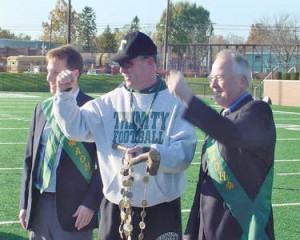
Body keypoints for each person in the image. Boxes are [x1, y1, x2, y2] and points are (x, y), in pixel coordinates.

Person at [52, 31, 197, 240]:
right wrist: (64, 95)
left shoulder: (176, 103)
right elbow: (74, 128)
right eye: (119, 64)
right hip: (116, 206)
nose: (122, 70)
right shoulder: (108, 102)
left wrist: (151, 153)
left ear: (149, 62)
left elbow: (184, 155)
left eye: (127, 64)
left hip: (161, 210)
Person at [167, 49, 276, 240]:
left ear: (242, 81)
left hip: (243, 231)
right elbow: (204, 185)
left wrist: (188, 99)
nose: (212, 84)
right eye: (211, 78)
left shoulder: (258, 111)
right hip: (208, 232)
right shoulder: (220, 118)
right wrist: (192, 232)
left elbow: (233, 135)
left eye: (219, 78)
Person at [19, 44, 103, 240]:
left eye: (55, 72)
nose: (48, 78)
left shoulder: (93, 109)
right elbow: (29, 161)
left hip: (75, 212)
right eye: (48, 72)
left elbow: (106, 164)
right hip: (39, 208)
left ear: (73, 74)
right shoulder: (42, 108)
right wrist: (25, 203)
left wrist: (90, 204)